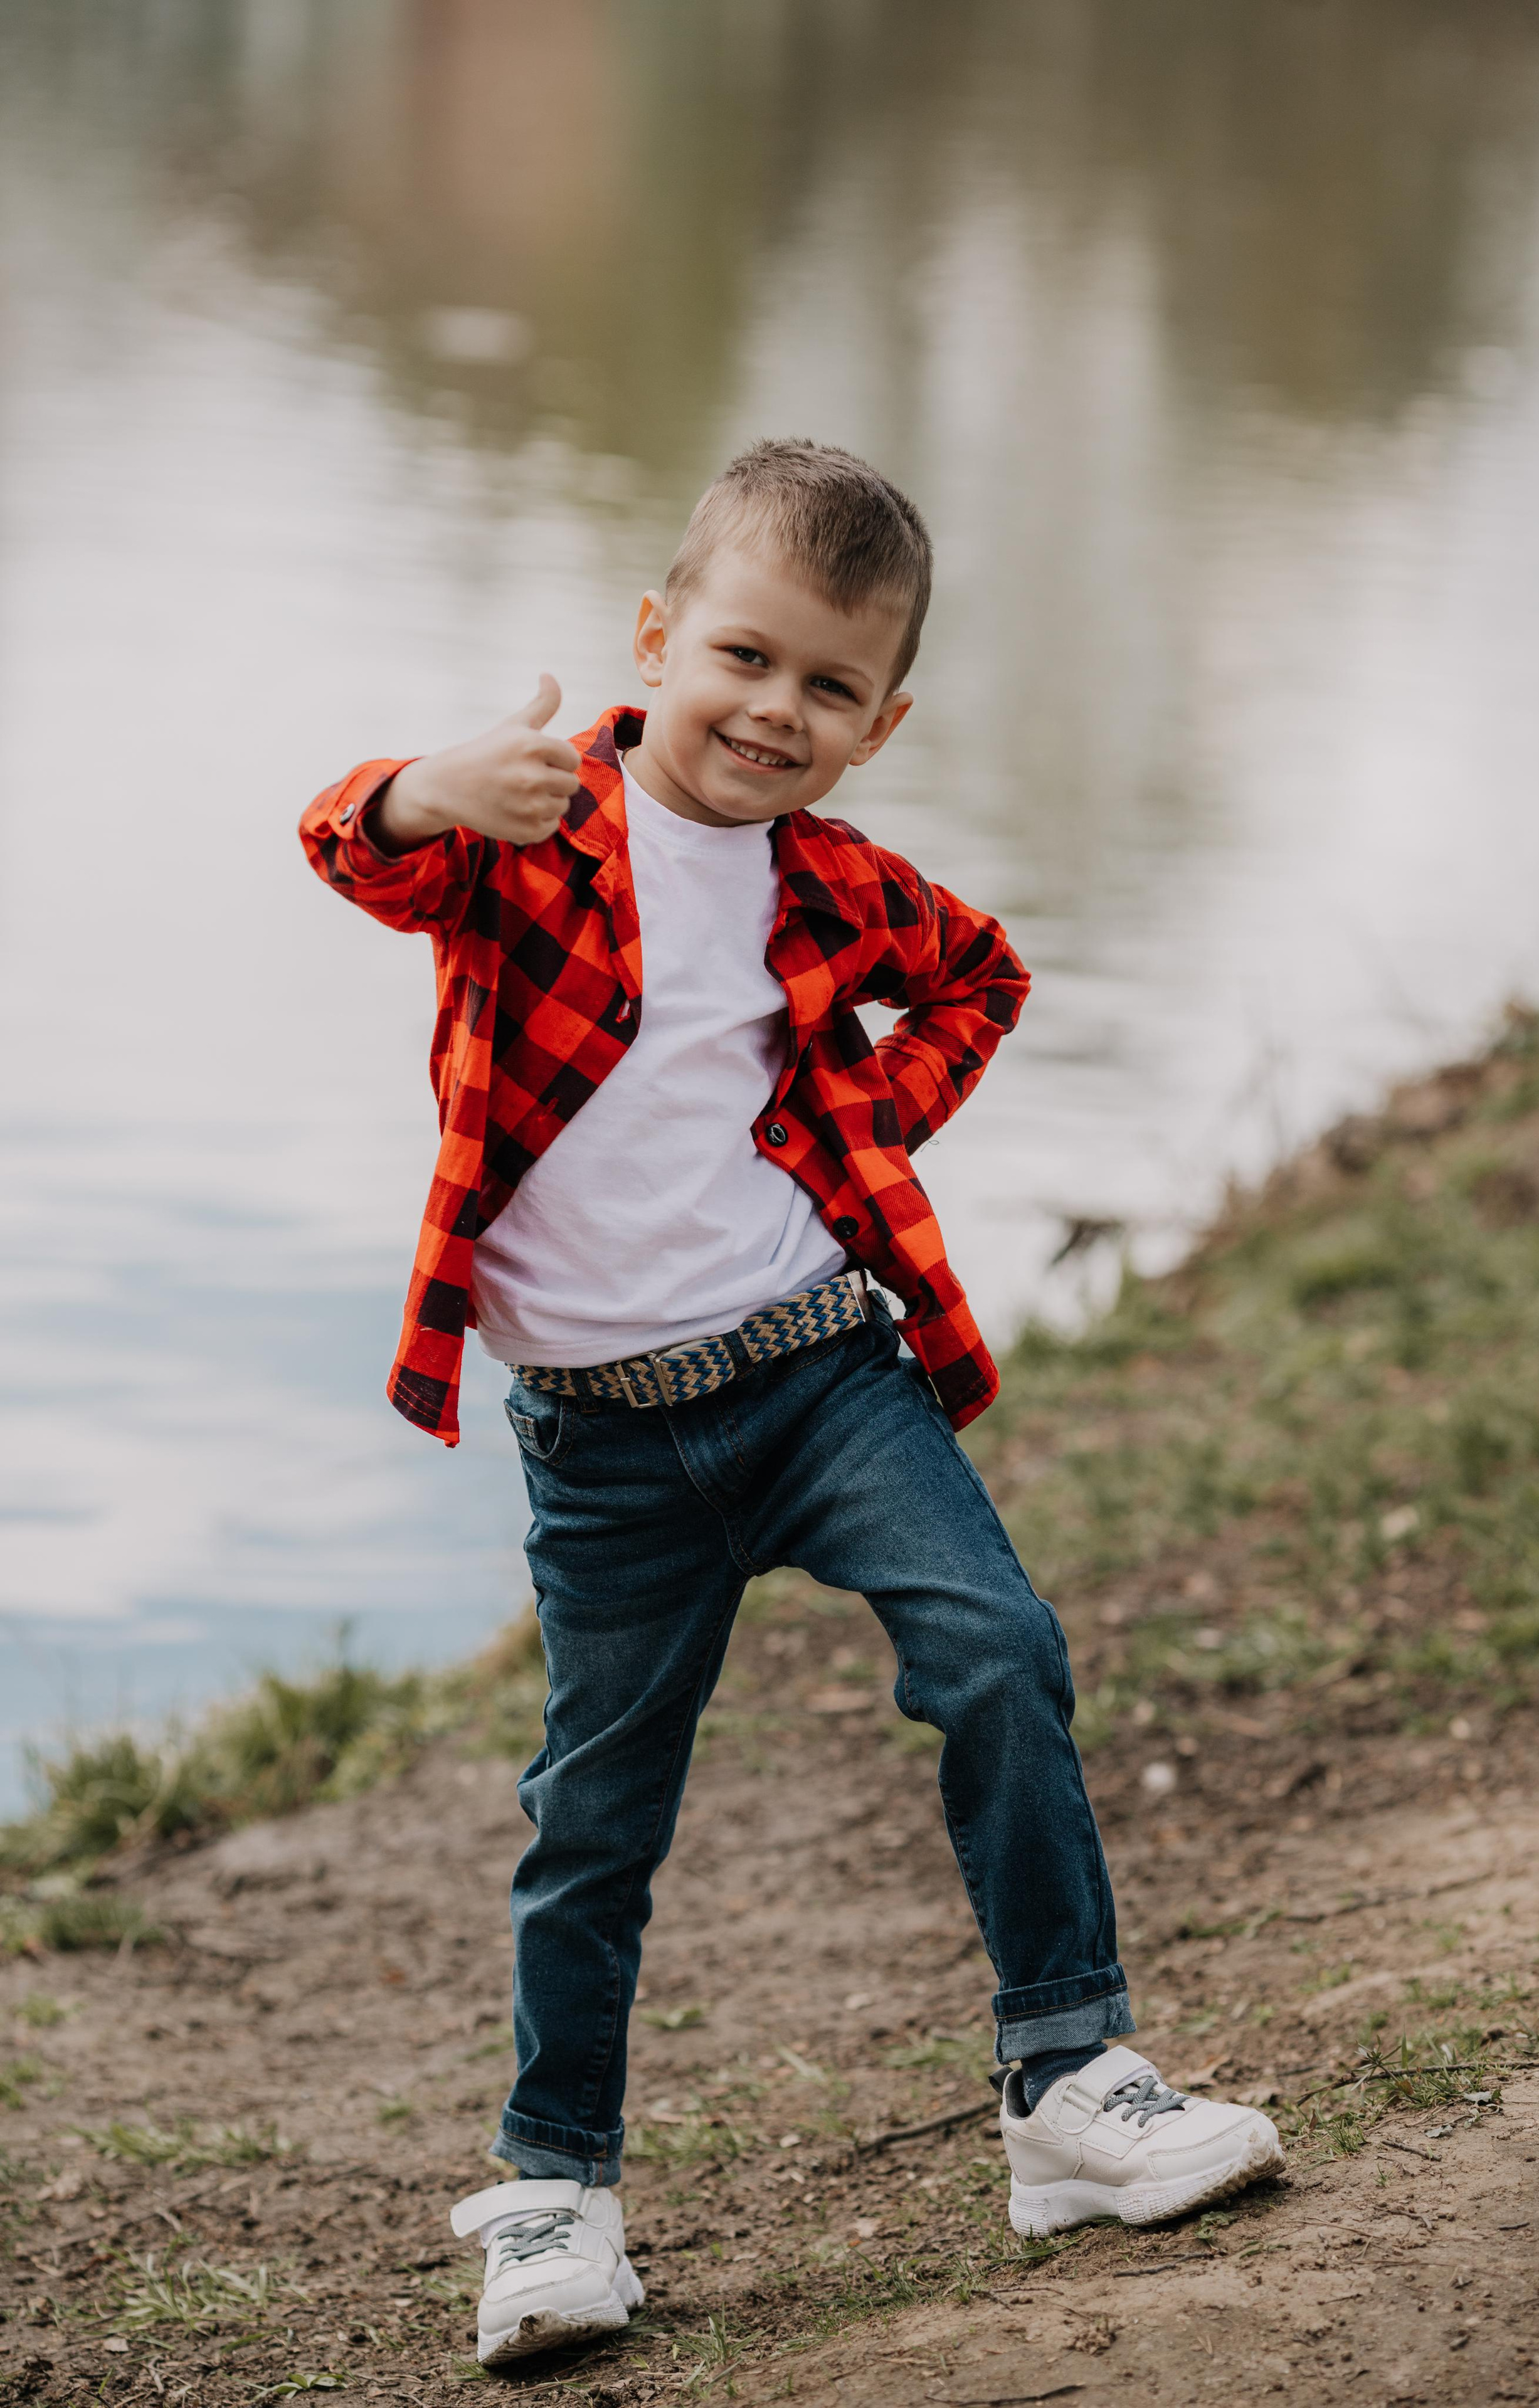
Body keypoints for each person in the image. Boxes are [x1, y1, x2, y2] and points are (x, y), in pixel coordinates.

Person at [299, 438, 1283, 2368]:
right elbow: (352, 844)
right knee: (599, 1808)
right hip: (604, 1438)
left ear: (882, 722)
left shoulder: (831, 884)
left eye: (831, 687)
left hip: (820, 1369)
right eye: (743, 657)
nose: (775, 712)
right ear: (657, 637)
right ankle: (558, 2192)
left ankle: (1070, 2090)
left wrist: (842, 1130)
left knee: (999, 1650)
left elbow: (984, 979)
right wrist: (431, 786)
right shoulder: (529, 835)